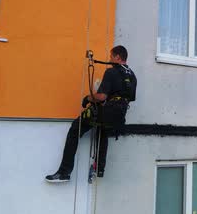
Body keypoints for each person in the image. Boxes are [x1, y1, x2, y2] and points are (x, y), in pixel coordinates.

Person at [45, 45, 137, 183]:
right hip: (120, 115)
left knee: (76, 128)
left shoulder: (111, 72)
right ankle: (99, 169)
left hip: (108, 110)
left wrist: (87, 98)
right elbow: (129, 97)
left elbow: (101, 97)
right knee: (104, 131)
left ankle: (64, 172)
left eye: (111, 56)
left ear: (118, 57)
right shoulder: (132, 75)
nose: (110, 59)